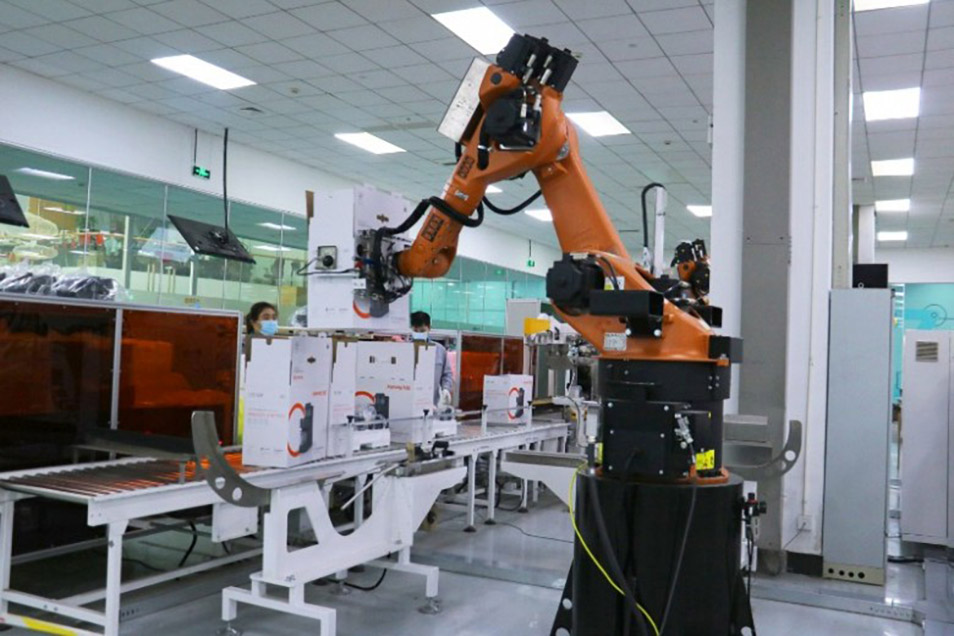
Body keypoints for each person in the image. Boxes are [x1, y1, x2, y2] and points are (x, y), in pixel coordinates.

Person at [410, 311, 454, 407]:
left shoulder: (439, 350)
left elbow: (447, 374)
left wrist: (446, 389)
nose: (419, 333)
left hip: (431, 403)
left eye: (422, 330)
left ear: (429, 328)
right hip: (407, 402)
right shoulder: (404, 348)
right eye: (415, 330)